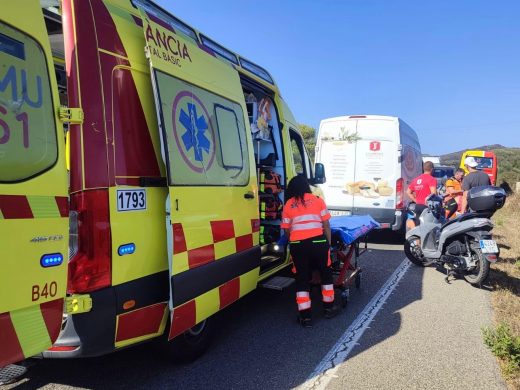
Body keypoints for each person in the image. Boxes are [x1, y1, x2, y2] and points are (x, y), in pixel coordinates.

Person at [281, 175, 338, 328]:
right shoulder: (318, 201)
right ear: (306, 187)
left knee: (302, 278)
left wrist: (295, 239)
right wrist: (328, 244)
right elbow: (326, 225)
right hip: (318, 243)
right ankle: (329, 308)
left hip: (298, 245)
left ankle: (305, 317)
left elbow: (286, 230)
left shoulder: (288, 205)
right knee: (325, 273)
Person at [406, 161, 438, 230]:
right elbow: (433, 194)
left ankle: (417, 239)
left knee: (418, 226)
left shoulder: (416, 180)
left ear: (423, 168)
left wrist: (415, 200)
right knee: (427, 228)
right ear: (432, 169)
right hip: (427, 207)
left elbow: (408, 192)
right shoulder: (432, 179)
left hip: (417, 206)